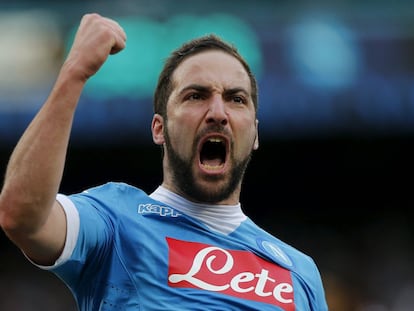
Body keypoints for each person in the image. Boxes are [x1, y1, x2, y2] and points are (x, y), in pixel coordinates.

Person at [0, 13, 328, 310]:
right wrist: (74, 74)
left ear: (254, 134)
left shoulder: (298, 272)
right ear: (160, 128)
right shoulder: (114, 220)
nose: (218, 113)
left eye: (236, 99)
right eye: (196, 96)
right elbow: (22, 215)